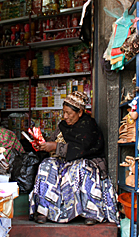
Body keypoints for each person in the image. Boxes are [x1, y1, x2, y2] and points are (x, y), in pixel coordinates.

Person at [29, 91, 118, 225]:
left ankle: (91, 212)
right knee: (46, 165)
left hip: (88, 161)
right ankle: (43, 210)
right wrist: (43, 145)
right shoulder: (63, 126)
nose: (65, 116)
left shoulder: (89, 126)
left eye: (69, 113)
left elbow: (81, 148)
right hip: (65, 162)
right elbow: (52, 141)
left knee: (80, 168)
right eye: (64, 112)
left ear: (80, 112)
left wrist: (55, 147)